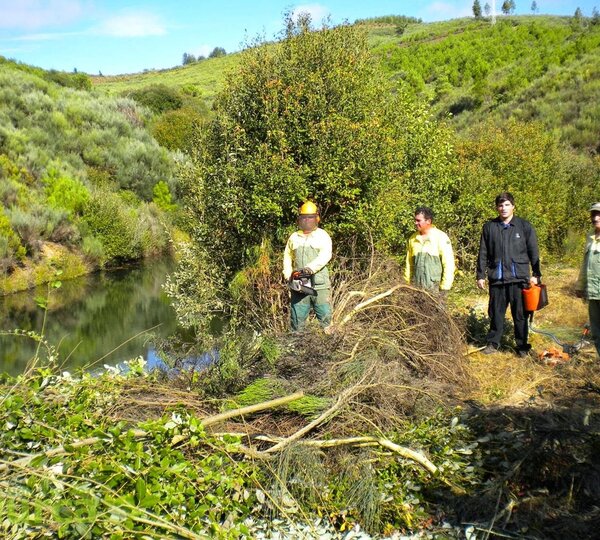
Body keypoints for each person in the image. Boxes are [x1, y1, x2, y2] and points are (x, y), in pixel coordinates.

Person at [476, 192, 541, 357]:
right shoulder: (489, 227)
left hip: (519, 279)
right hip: (497, 279)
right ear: (497, 208)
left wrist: (536, 274)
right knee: (495, 314)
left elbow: (533, 251)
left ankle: (522, 347)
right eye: (500, 205)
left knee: (520, 315)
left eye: (506, 205)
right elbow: (483, 252)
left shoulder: (524, 226)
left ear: (513, 207)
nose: (503, 208)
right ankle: (493, 344)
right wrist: (480, 275)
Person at [283, 201, 332, 331]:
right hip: (299, 285)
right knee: (297, 322)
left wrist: (310, 269)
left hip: (319, 285)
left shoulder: (322, 235)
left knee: (325, 319)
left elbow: (326, 255)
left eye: (310, 217)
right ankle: (296, 342)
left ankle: (330, 342)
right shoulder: (294, 237)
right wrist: (288, 274)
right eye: (304, 217)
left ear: (316, 218)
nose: (307, 220)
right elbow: (287, 256)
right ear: (299, 219)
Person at [404, 206, 455, 293]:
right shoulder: (412, 239)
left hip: (435, 290)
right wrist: (406, 284)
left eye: (418, 220)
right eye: (415, 220)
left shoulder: (440, 237)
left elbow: (449, 264)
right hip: (416, 289)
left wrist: (445, 287)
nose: (415, 223)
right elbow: (409, 265)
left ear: (428, 221)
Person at [575, 202, 600, 357]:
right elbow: (586, 264)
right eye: (593, 214)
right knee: (596, 332)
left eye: (599, 214)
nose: (595, 218)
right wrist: (580, 285)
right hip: (593, 291)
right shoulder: (590, 236)